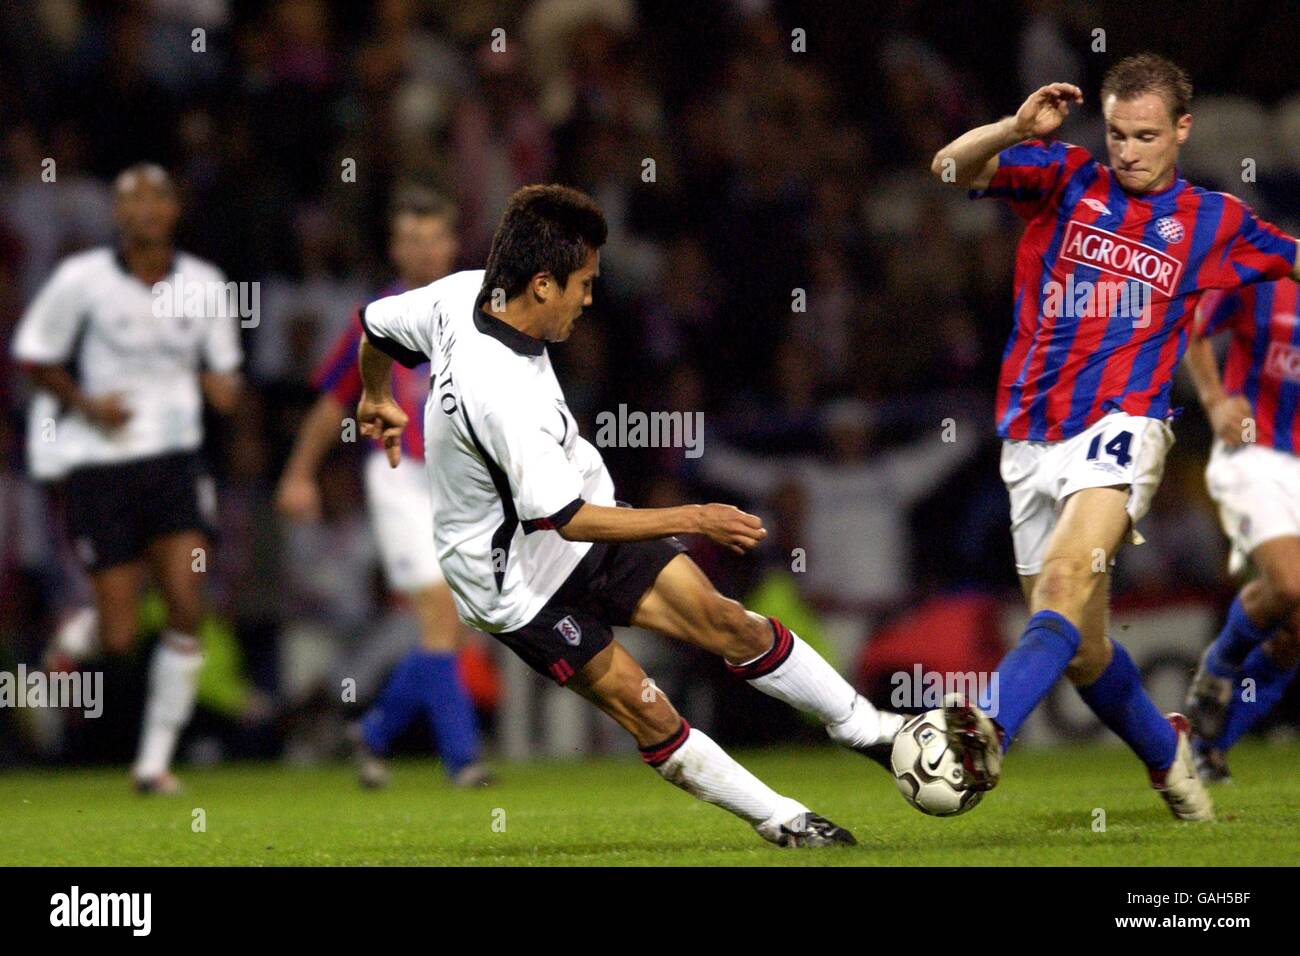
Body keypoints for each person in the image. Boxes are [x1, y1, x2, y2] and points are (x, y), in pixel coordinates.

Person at [355, 184, 903, 847]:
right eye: (582, 284)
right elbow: (567, 519)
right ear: (539, 286)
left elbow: (377, 323)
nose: (589, 299)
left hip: (580, 520)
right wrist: (695, 515)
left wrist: (375, 395)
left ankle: (877, 734)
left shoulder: (462, 293)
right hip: (515, 582)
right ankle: (782, 819)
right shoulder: (501, 395)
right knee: (645, 706)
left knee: (724, 618)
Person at [930, 53, 1300, 820]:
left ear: (1182, 131)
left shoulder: (1214, 221)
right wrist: (1010, 127)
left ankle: (982, 729)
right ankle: (1171, 755)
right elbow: (946, 168)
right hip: (1029, 436)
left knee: (1064, 584)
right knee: (1085, 650)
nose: (1128, 150)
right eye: (1118, 134)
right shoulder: (1064, 177)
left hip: (1124, 427)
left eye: (1146, 135)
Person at [10, 163, 243, 793]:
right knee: (117, 635)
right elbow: (34, 353)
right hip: (100, 464)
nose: (145, 209)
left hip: (175, 463)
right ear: (116, 214)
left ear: (174, 210)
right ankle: (72, 640)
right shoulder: (81, 280)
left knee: (185, 605)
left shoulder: (204, 283)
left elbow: (225, 371)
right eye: (131, 198)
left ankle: (154, 763)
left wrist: (220, 387)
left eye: (157, 197)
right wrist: (87, 405)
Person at [277, 187, 490, 788]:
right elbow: (331, 402)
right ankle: (464, 761)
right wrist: (298, 472)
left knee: (449, 625)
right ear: (396, 247)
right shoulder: (375, 318)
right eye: (411, 239)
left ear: (452, 243)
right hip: (400, 477)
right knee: (439, 614)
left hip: (463, 482)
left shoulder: (477, 312)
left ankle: (372, 733)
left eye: (433, 238)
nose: (423, 250)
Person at [1182, 279, 1300, 782]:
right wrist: (1213, 400)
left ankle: (1207, 747)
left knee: (1295, 631)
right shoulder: (1266, 275)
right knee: (1291, 584)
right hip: (1253, 453)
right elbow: (1193, 325)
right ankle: (1220, 666)